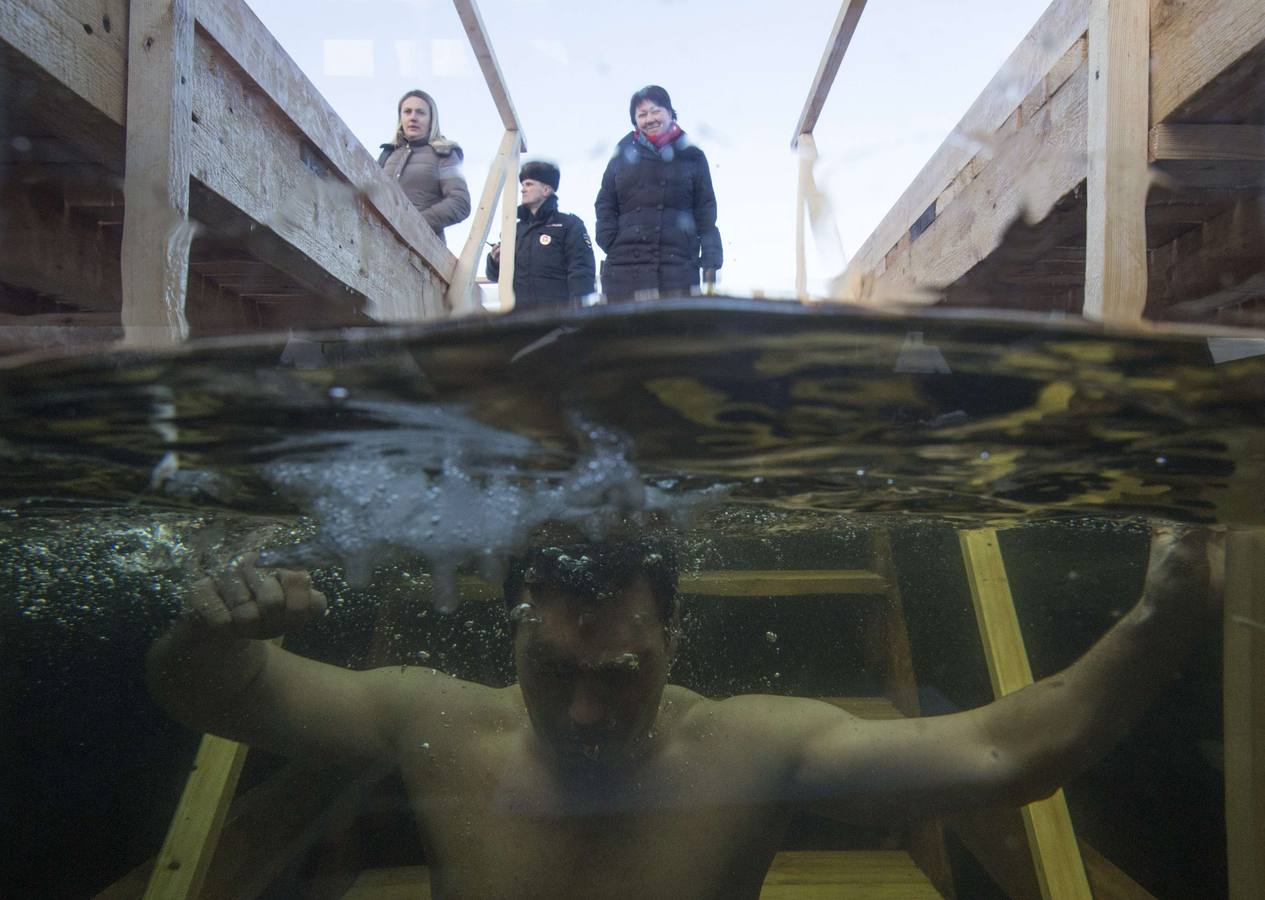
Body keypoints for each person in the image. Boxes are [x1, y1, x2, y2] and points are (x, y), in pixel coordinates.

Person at [147, 527, 1222, 899]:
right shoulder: (438, 724)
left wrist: (1162, 613)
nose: (584, 710)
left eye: (619, 673)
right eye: (553, 670)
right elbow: (217, 692)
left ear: (671, 638)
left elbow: (1004, 754)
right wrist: (207, 635)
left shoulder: (745, 748)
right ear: (511, 636)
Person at [594, 85, 723, 302]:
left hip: (678, 267)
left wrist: (711, 259)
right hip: (625, 266)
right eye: (642, 114)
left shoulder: (692, 156)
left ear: (670, 113)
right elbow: (605, 201)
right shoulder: (621, 154)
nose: (650, 119)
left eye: (656, 111)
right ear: (635, 121)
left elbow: (706, 210)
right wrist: (609, 239)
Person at [486, 161, 596, 311]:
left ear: (546, 190)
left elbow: (581, 274)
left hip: (558, 318)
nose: (522, 189)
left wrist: (576, 317)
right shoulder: (514, 230)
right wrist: (495, 261)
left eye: (529, 184)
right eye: (522, 185)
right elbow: (495, 276)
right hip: (520, 319)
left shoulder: (569, 225)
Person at [377, 89, 471, 242]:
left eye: (420, 112)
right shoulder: (387, 154)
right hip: (379, 241)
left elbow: (460, 203)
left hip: (421, 248)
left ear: (431, 119)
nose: (413, 117)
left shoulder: (445, 153)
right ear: (401, 118)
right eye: (407, 112)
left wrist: (415, 225)